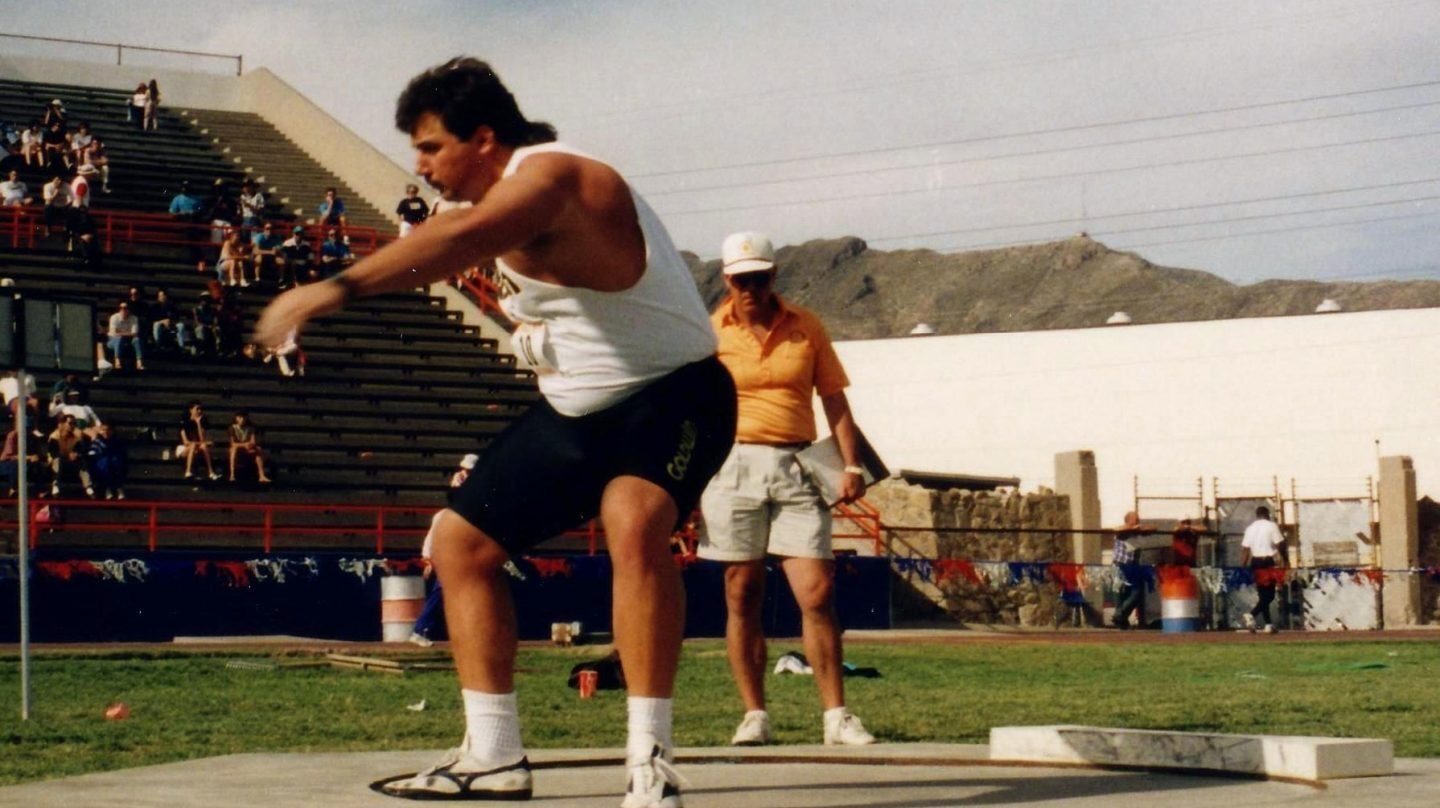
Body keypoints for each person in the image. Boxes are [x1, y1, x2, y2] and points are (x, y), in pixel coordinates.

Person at [255, 56, 735, 806]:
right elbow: (446, 244)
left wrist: (329, 288)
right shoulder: (481, 206)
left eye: (431, 147)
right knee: (458, 543)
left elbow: (464, 238)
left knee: (632, 518)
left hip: (675, 398)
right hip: (577, 411)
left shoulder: (560, 179)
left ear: (483, 138)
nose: (420, 167)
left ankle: (650, 759)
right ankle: (495, 755)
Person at [695, 231, 875, 749]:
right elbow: (696, 407)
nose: (750, 288)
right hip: (731, 466)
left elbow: (834, 399)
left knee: (816, 590)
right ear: (726, 280)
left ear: (774, 276)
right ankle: (755, 714)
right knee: (741, 592)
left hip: (797, 464)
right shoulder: (709, 334)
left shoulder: (806, 326)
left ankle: (837, 715)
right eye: (740, 280)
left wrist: (851, 465)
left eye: (759, 277)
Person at [411, 453, 480, 647]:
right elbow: (432, 538)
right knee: (442, 592)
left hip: (461, 557)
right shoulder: (447, 515)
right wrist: (428, 559)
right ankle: (420, 629)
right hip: (452, 558)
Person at [1240, 505, 1286, 634]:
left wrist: (1243, 566)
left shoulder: (1250, 528)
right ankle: (1252, 614)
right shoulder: (1271, 526)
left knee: (1262, 595)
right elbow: (1280, 543)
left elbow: (1245, 549)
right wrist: (1285, 559)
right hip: (1267, 562)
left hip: (1255, 561)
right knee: (1270, 595)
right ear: (1267, 514)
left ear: (1257, 515)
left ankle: (1268, 624)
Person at [1110, 511, 1154, 629]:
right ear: (1128, 520)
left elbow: (1153, 528)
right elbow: (1116, 529)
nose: (1138, 521)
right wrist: (1131, 527)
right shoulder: (1122, 532)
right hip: (1119, 565)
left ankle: (1119, 615)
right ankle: (1122, 621)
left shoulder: (1137, 532)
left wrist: (1140, 528)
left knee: (1136, 592)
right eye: (1136, 519)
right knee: (1119, 594)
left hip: (1133, 566)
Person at [47, 414, 95, 498]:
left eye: (74, 424)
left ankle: (88, 487)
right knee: (58, 460)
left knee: (81, 461)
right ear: (62, 424)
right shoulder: (54, 437)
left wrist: (76, 454)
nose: (72, 426)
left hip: (70, 463)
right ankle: (55, 485)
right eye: (70, 423)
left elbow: (81, 450)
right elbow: (53, 453)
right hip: (54, 464)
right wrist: (66, 455)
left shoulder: (76, 437)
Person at [178, 400, 221, 481]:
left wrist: (198, 423)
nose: (199, 411)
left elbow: (202, 440)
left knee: (204, 446)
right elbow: (186, 442)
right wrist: (200, 443)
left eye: (200, 409)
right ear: (191, 410)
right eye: (197, 409)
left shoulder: (202, 423)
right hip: (183, 448)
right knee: (194, 445)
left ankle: (211, 472)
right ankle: (188, 472)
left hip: (196, 447)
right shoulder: (184, 423)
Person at [227, 411, 272, 483]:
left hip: (247, 449)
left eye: (243, 417)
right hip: (238, 449)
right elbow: (233, 444)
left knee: (258, 449)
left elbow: (253, 441)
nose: (242, 419)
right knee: (233, 449)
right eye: (239, 417)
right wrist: (244, 444)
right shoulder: (232, 428)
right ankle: (232, 475)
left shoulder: (250, 428)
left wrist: (249, 445)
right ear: (236, 418)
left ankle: (261, 475)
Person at [88, 422, 129, 500]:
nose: (105, 432)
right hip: (100, 468)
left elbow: (123, 455)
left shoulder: (118, 442)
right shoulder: (97, 441)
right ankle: (107, 488)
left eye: (108, 430)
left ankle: (119, 488)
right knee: (104, 463)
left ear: (112, 431)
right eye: (103, 430)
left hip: (115, 466)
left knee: (117, 462)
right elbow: (92, 454)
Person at [106, 301, 145, 372]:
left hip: (129, 340)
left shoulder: (134, 318)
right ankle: (117, 361)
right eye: (121, 308)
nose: (122, 310)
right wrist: (128, 333)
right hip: (113, 341)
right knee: (119, 338)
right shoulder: (114, 317)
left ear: (129, 310)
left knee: (137, 340)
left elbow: (135, 333)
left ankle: (139, 362)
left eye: (125, 308)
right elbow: (114, 333)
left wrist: (121, 333)